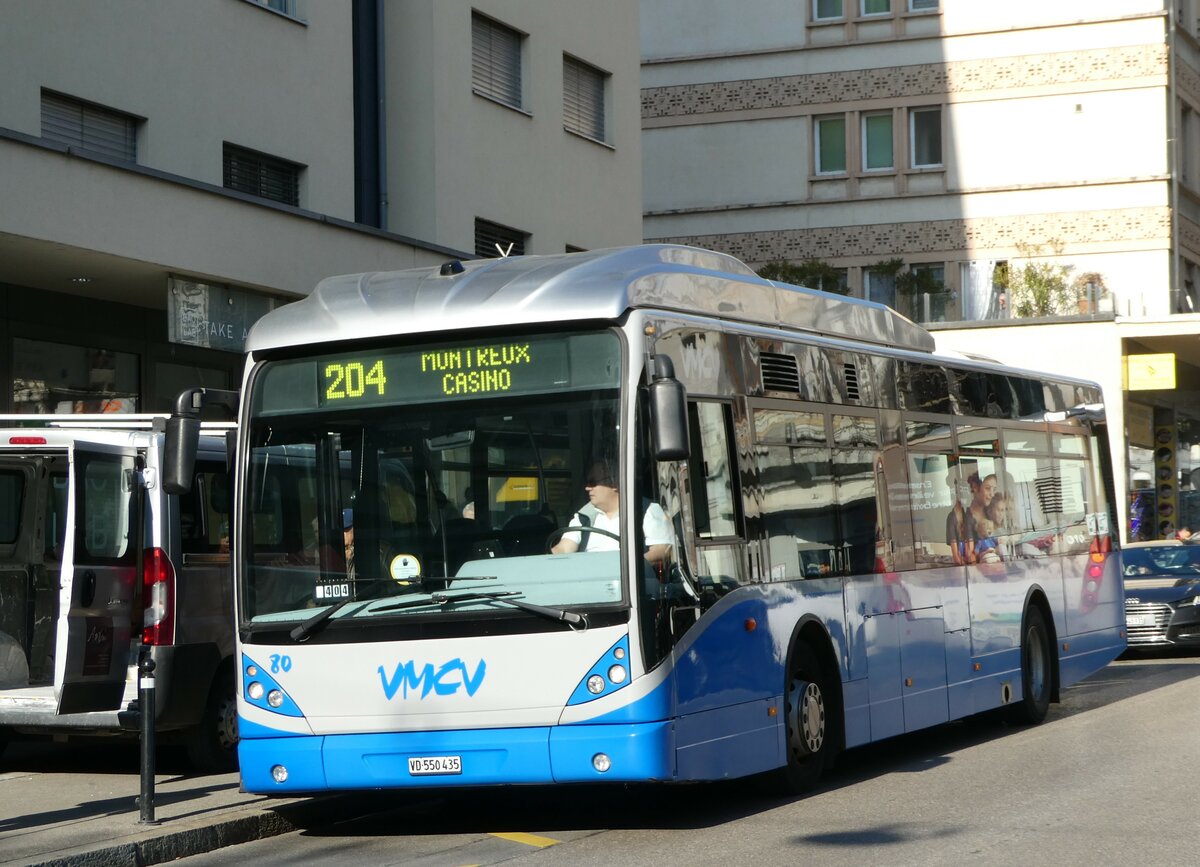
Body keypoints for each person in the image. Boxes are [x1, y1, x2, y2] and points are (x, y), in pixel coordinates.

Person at [551, 460, 672, 563]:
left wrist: (626, 566)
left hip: (630, 579)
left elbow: (663, 550)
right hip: (590, 576)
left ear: (614, 483)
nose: (587, 488)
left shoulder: (646, 509)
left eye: (593, 483)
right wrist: (549, 557)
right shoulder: (584, 516)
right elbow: (565, 547)